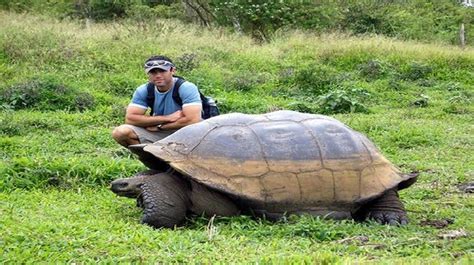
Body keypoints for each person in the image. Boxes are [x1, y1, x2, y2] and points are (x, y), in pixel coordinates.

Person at [112, 55, 202, 148]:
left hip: (188, 132)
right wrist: (167, 118)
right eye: (153, 72)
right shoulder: (144, 90)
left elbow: (192, 120)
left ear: (172, 70)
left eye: (162, 71)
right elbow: (130, 119)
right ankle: (152, 159)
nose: (158, 75)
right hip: (160, 131)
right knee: (120, 132)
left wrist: (159, 127)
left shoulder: (186, 88)